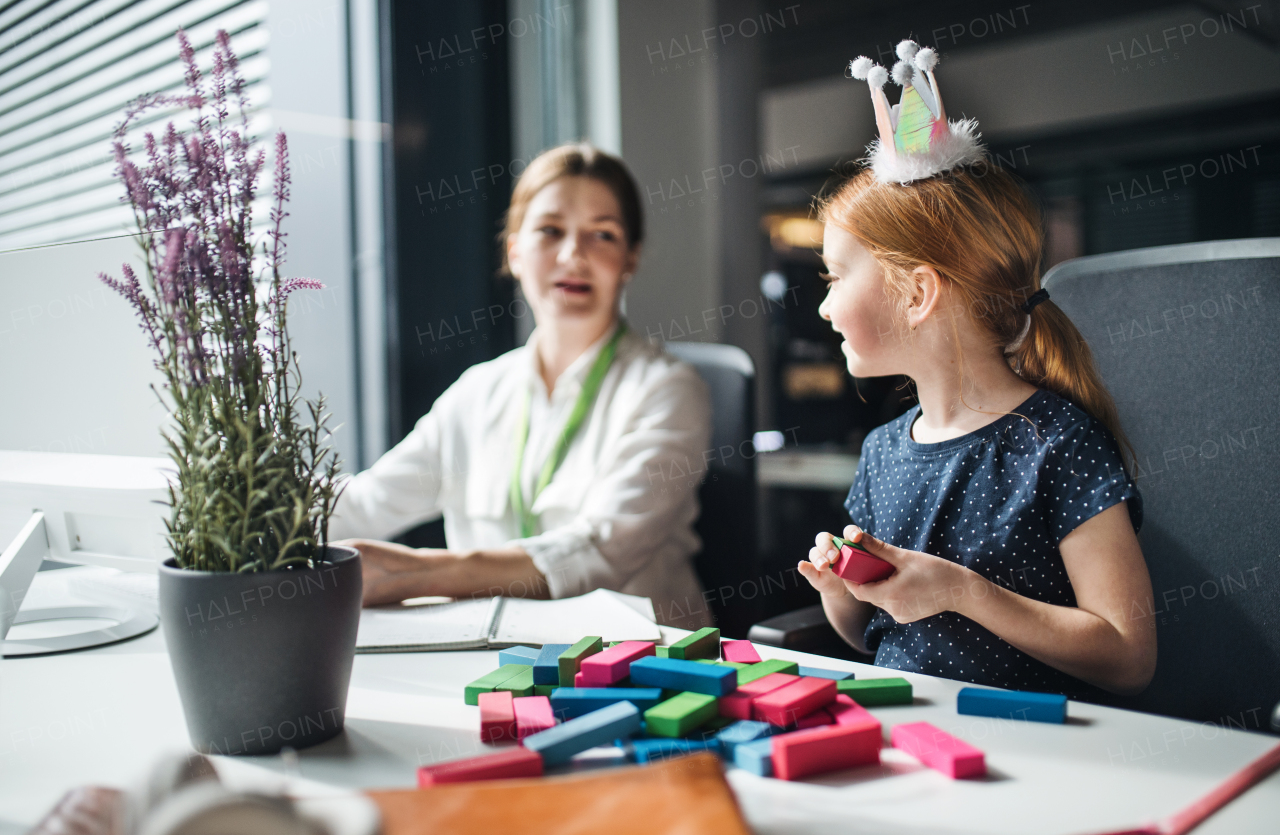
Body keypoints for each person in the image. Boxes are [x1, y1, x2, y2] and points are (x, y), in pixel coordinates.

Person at [797, 157, 1157, 697]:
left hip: (1031, 745)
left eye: (836, 277)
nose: (824, 307)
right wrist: (841, 591)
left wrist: (963, 592)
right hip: (909, 733)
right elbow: (867, 638)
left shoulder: (1059, 444)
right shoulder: (881, 451)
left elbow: (1129, 656)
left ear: (917, 294)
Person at [329, 144, 712, 628]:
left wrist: (415, 573)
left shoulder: (668, 390)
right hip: (495, 660)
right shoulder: (477, 393)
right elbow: (366, 504)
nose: (573, 255)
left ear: (630, 259)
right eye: (550, 231)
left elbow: (600, 550)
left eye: (603, 235)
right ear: (514, 250)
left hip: (639, 666)